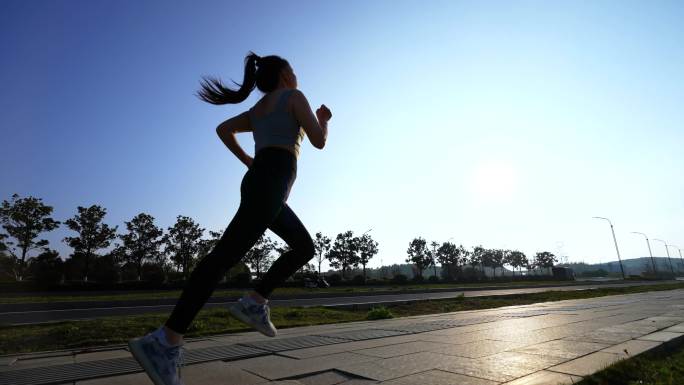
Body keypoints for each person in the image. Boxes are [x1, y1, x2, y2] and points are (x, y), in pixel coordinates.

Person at [128, 52, 331, 385]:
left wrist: (249, 161)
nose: (296, 76)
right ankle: (164, 340)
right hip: (272, 181)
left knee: (304, 247)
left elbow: (223, 128)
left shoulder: (258, 110)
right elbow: (319, 141)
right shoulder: (294, 97)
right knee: (223, 257)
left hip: (262, 183)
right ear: (283, 75)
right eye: (293, 71)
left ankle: (255, 301)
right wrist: (323, 119)